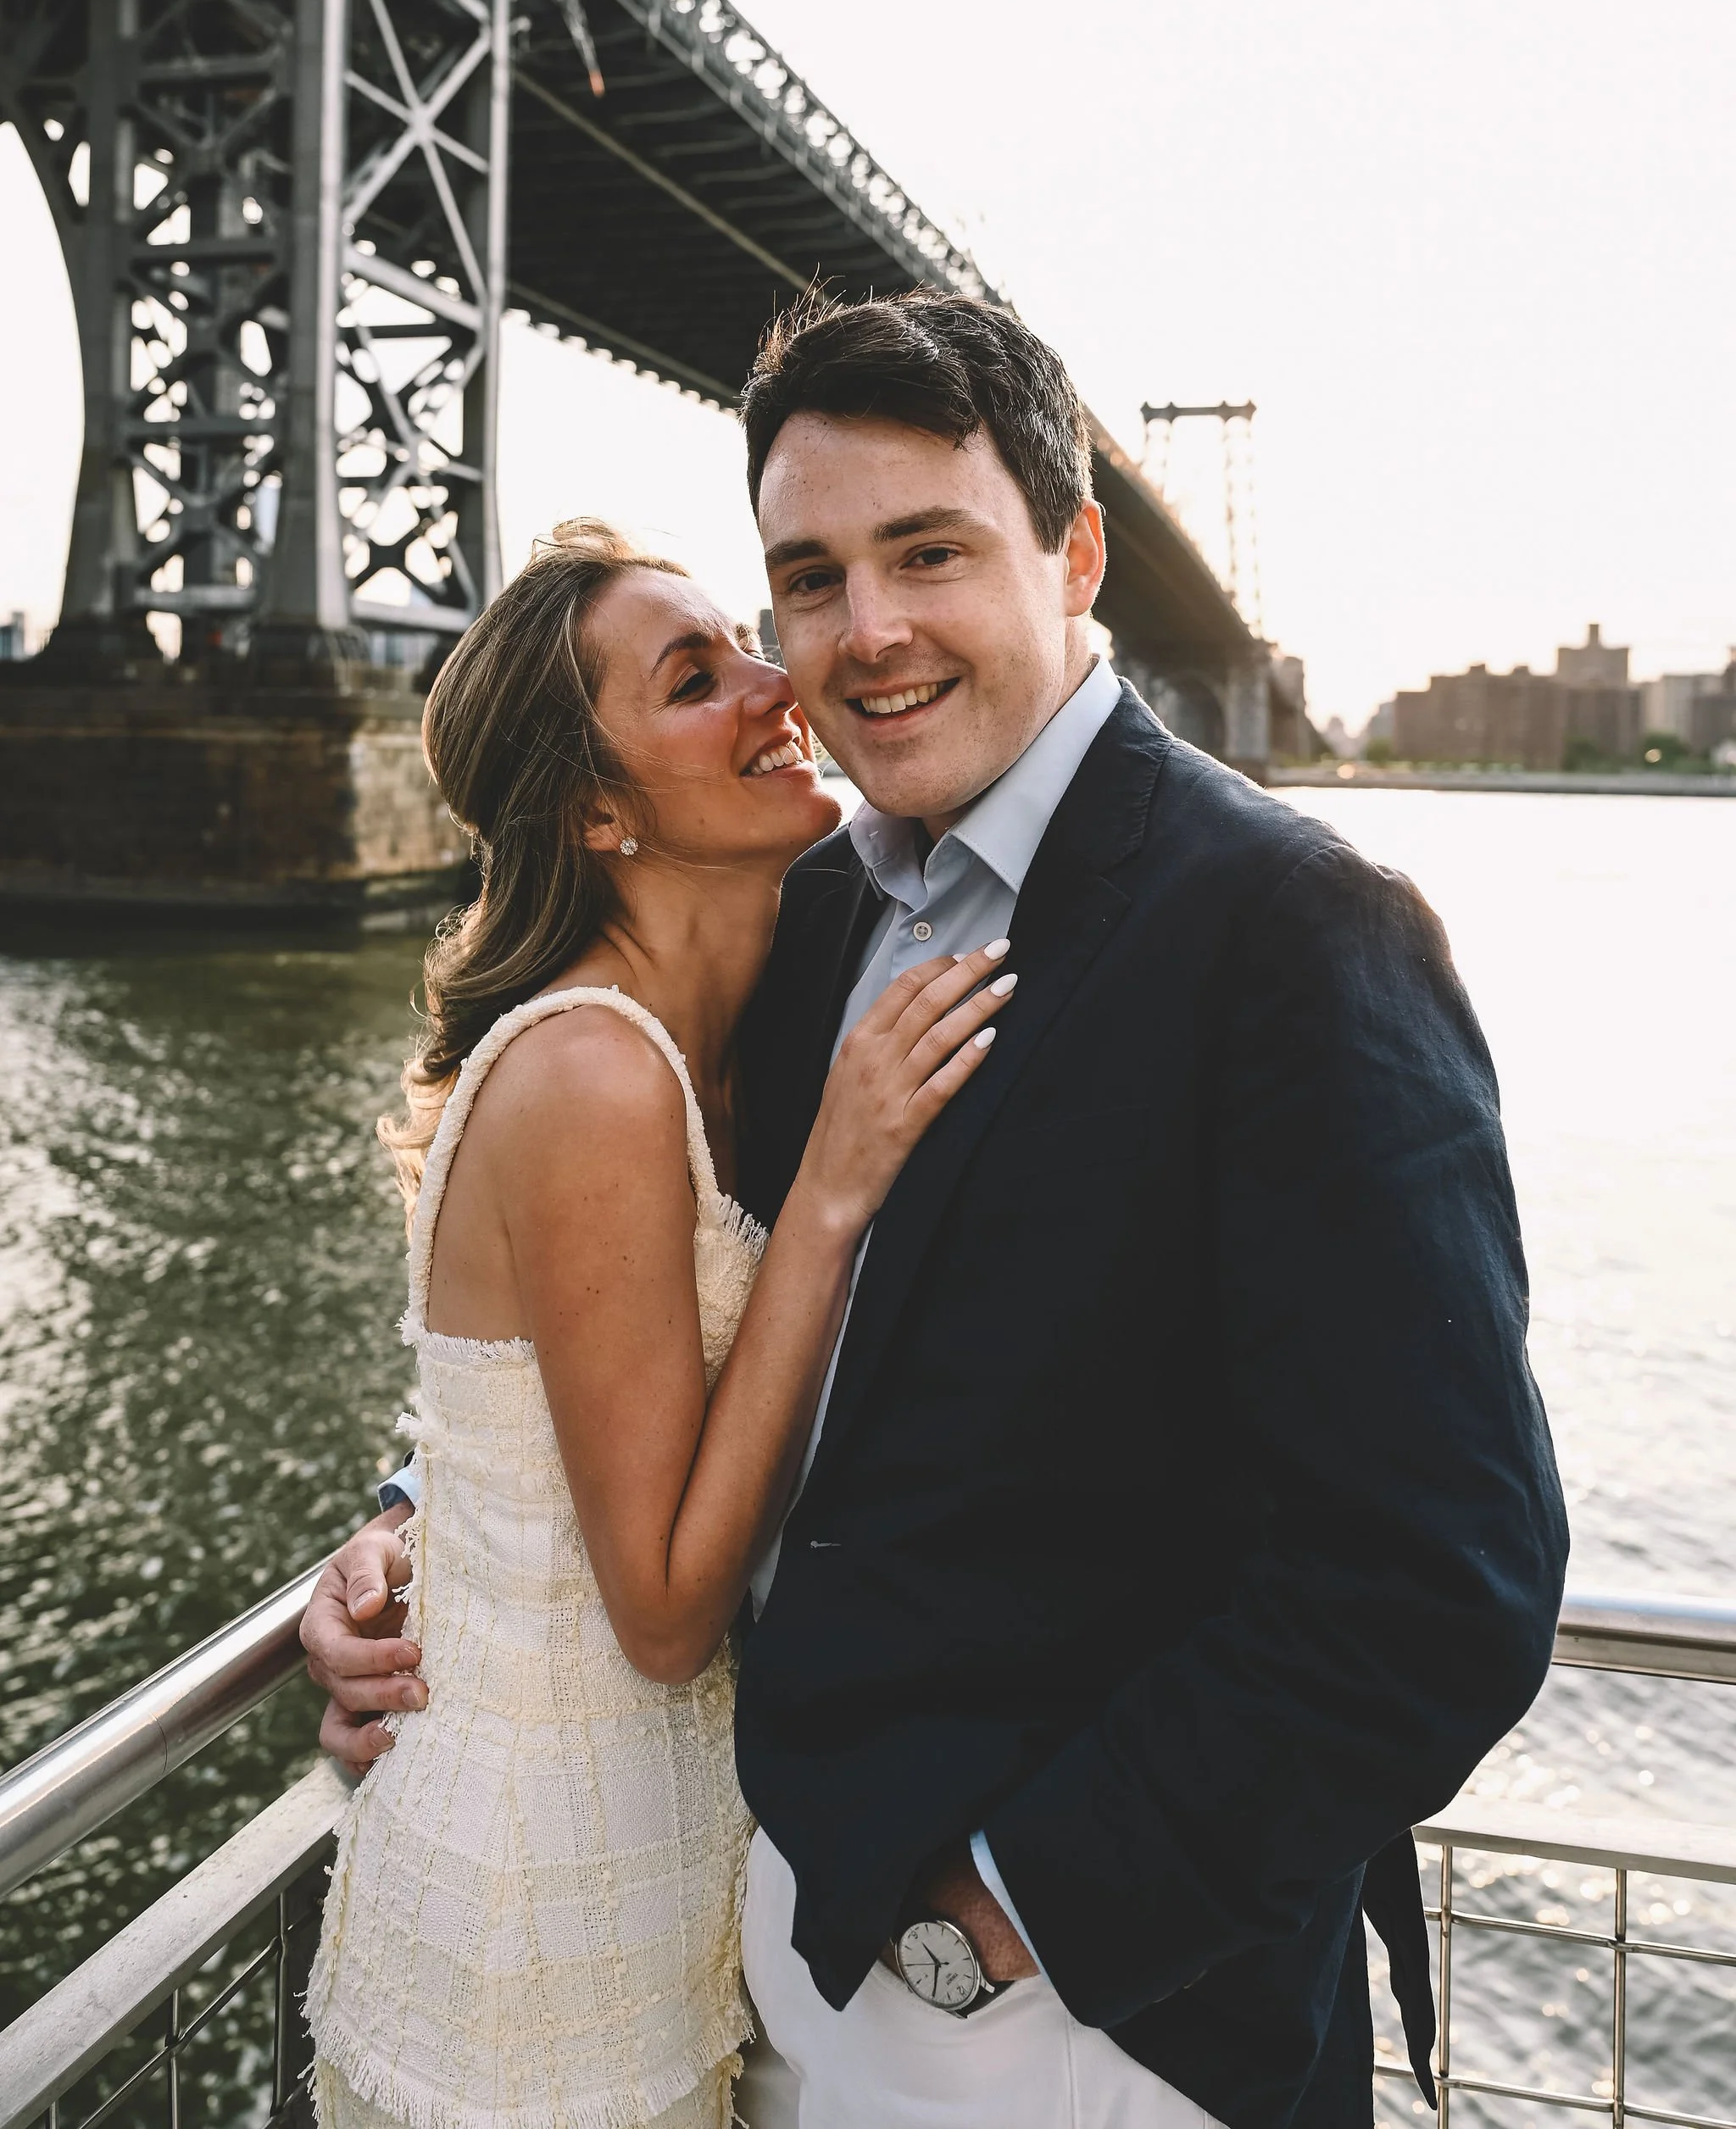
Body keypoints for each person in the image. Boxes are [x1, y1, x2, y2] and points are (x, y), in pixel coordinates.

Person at [307, 294, 1568, 2129]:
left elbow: (1439, 1584)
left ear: (1072, 556)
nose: (863, 634)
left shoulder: (1292, 932)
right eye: (806, 580)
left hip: (1085, 2019)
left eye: (928, 554)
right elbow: (645, 1310)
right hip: (759, 1947)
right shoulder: (805, 908)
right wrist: (426, 1523)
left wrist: (1007, 1908)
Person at [302, 516, 1012, 2129]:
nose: (784, 682)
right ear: (599, 808)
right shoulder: (593, 1072)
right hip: (528, 1922)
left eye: (747, 639)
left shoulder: (755, 1014)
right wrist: (833, 1186)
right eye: (700, 678)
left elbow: (522, 1417)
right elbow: (667, 1617)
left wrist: (405, 1515)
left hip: (679, 1880)